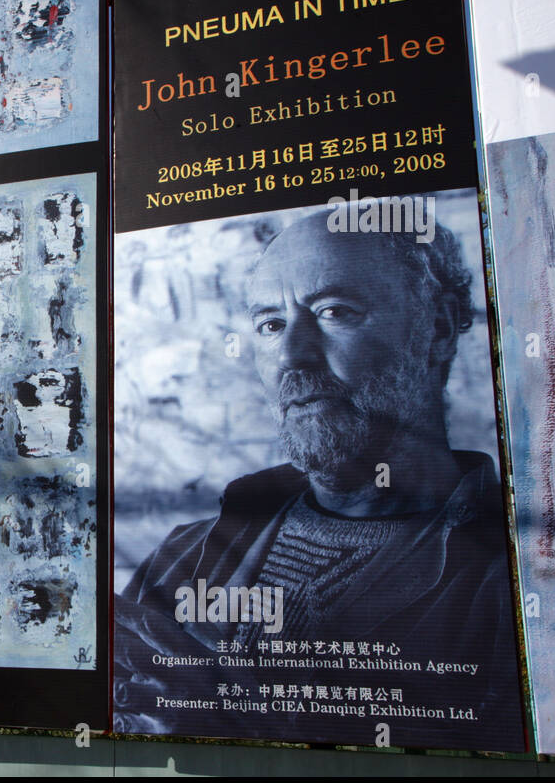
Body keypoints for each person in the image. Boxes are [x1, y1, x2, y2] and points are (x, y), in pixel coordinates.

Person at [114, 205, 524, 750]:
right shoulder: (187, 553)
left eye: (335, 312)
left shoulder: (521, 574)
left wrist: (252, 732)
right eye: (271, 324)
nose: (291, 354)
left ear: (439, 327)